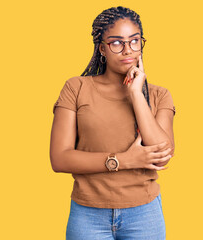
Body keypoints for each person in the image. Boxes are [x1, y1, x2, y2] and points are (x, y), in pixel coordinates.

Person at [50, 6, 176, 240]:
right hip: (88, 215)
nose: (127, 50)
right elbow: (59, 158)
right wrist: (124, 160)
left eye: (135, 41)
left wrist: (137, 94)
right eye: (116, 43)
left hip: (144, 214)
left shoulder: (159, 95)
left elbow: (163, 153)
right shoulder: (76, 88)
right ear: (102, 49)